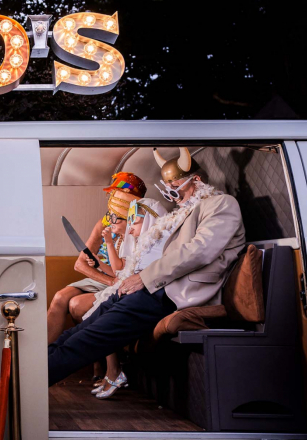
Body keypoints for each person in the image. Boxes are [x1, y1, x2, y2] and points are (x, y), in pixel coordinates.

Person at [48, 147, 246, 386]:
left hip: (173, 293)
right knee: (86, 325)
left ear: (197, 180)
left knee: (94, 336)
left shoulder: (221, 204)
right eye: (168, 188)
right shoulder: (183, 211)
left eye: (177, 187)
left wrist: (144, 278)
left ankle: (34, 381)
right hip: (155, 286)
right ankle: (35, 363)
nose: (173, 195)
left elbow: (199, 251)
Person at [47, 172, 147, 344]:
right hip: (105, 276)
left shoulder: (140, 223)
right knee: (59, 297)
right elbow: (80, 264)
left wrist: (117, 280)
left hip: (124, 276)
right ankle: (42, 359)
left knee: (77, 305)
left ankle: (99, 365)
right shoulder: (105, 223)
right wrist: (109, 280)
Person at [87, 197, 167, 398]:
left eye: (133, 223)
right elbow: (120, 272)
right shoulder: (135, 241)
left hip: (148, 294)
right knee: (95, 314)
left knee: (103, 316)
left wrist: (107, 243)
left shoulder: (155, 244)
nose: (130, 228)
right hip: (128, 286)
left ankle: (113, 372)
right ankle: (109, 371)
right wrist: (97, 264)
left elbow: (120, 272)